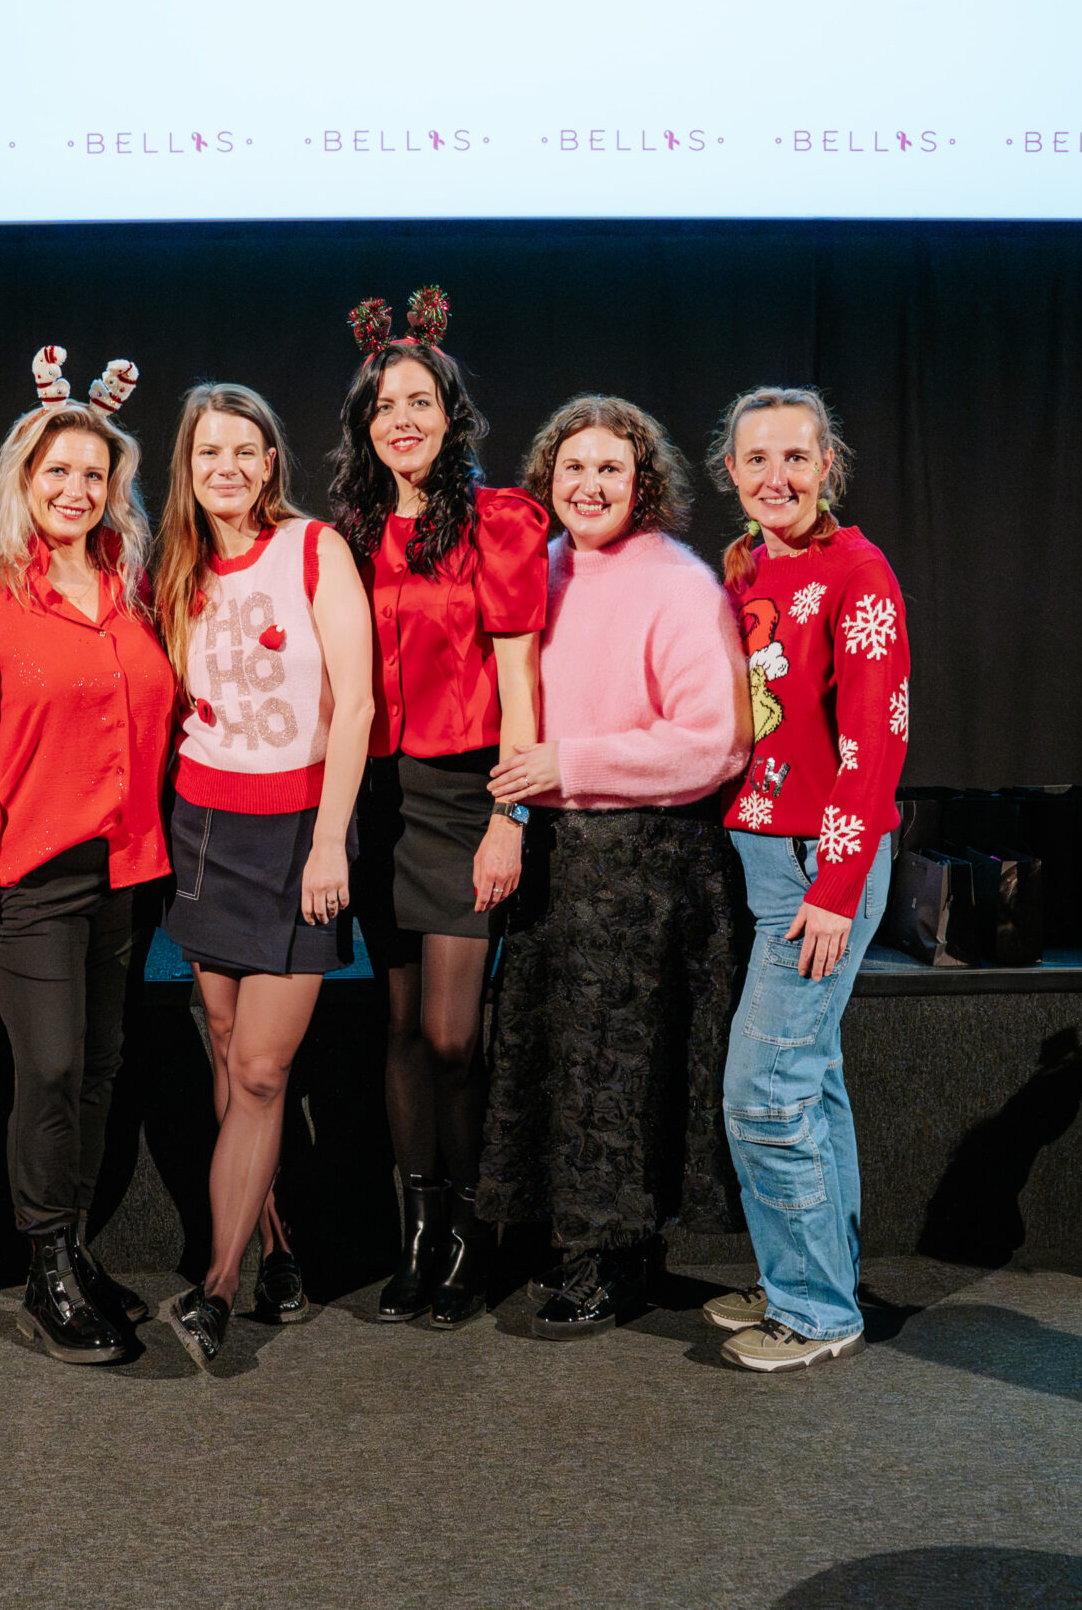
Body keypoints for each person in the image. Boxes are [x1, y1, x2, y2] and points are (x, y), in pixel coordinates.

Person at [481, 396, 751, 1337]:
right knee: (552, 1059)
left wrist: (569, 763)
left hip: (645, 865)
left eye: (610, 469)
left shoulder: (678, 583)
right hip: (557, 855)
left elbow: (716, 740)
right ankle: (570, 1240)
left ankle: (619, 1258)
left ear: (644, 484)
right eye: (573, 467)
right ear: (547, 478)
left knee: (618, 1071)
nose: (589, 485)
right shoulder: (541, 570)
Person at [0, 347, 174, 1366]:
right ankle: (42, 1267)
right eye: (57, 471)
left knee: (101, 1071)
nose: (76, 489)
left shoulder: (133, 588)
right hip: (27, 873)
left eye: (94, 473)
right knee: (51, 1067)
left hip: (124, 869)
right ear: (23, 480)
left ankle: (72, 1251)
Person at [327, 289, 549, 1330]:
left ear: (452, 415)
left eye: (419, 401)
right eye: (384, 405)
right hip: (383, 799)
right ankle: (417, 1233)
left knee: (456, 1035)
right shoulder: (351, 533)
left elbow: (520, 683)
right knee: (402, 1029)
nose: (401, 419)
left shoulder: (500, 523)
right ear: (365, 425)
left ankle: (471, 1230)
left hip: (468, 797)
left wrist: (512, 817)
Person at [149, 383, 372, 1364]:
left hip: (297, 836)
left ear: (271, 460)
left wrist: (329, 842)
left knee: (262, 1069)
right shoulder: (177, 566)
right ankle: (274, 1244)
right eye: (209, 453)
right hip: (205, 830)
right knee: (228, 1046)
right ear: (188, 468)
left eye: (245, 450)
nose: (227, 468)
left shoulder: (314, 549)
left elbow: (356, 705)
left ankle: (216, 1287)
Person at [701, 385, 909, 1372]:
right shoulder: (748, 565)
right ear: (731, 471)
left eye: (795, 457)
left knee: (765, 1090)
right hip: (765, 856)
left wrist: (835, 885)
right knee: (810, 1080)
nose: (775, 476)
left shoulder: (858, 574)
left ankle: (816, 1311)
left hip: (818, 864)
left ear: (828, 465)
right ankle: (809, 1275)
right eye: (757, 459)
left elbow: (877, 740)